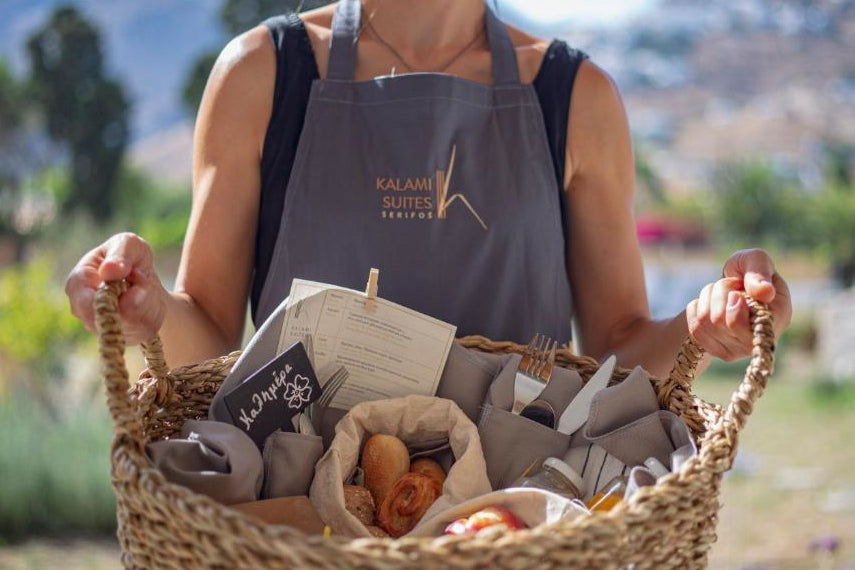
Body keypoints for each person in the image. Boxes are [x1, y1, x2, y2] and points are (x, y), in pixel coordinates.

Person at [65, 0, 791, 379]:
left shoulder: (574, 95)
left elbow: (614, 350)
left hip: (512, 523)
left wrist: (697, 326)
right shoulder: (262, 74)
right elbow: (215, 340)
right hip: (305, 523)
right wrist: (150, 310)